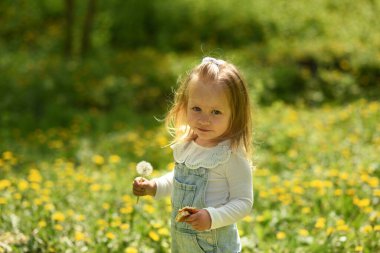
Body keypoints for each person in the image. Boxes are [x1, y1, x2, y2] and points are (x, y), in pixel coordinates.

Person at [133, 56, 254, 253]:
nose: (204, 120)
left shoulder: (230, 154)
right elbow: (180, 180)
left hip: (215, 246)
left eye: (216, 112)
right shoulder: (188, 145)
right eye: (196, 109)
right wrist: (154, 186)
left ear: (235, 114)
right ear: (185, 105)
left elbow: (243, 202)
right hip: (182, 243)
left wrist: (212, 217)